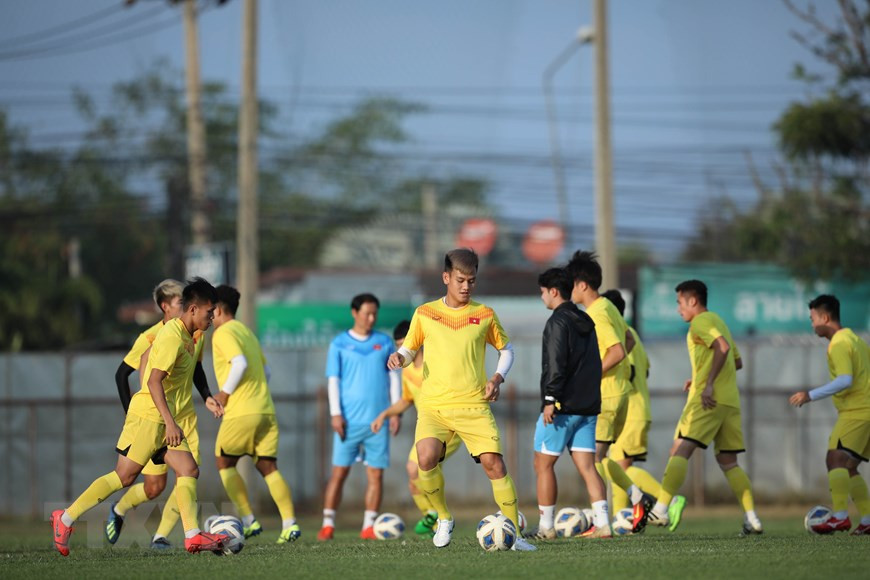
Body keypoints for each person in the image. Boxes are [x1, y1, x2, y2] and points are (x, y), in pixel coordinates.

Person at [51, 278, 224, 556]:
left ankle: (192, 536)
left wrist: (204, 399)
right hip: (149, 418)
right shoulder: (170, 337)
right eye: (209, 312)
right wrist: (170, 422)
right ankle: (66, 518)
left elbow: (188, 375)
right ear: (192, 309)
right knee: (124, 477)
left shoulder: (190, 338)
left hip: (165, 420)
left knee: (188, 470)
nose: (213, 317)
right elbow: (153, 382)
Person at [387, 248, 537, 551]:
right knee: (424, 459)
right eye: (460, 280)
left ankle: (516, 536)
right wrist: (399, 359)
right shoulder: (424, 313)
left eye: (471, 281)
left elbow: (506, 349)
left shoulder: (485, 314)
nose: (466, 286)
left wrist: (497, 378)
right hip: (434, 406)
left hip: (473, 405)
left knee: (494, 465)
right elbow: (409, 349)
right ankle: (443, 517)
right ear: (446, 277)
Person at [633, 279, 762, 536]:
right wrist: (701, 375)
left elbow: (722, 349)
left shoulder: (700, 323)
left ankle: (660, 508)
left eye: (679, 303)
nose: (678, 309)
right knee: (729, 462)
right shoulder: (719, 321)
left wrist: (708, 384)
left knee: (679, 449)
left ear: (693, 301)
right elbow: (736, 361)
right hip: (729, 402)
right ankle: (752, 519)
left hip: (708, 400)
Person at [106, 279, 221, 549]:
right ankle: (118, 509)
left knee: (188, 472)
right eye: (179, 302)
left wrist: (207, 397)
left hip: (185, 418)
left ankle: (163, 536)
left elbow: (196, 368)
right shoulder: (151, 337)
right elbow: (124, 374)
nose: (184, 306)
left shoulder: (197, 333)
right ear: (164, 306)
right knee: (153, 487)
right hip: (157, 417)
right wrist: (131, 415)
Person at [565, 251, 653, 534]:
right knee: (600, 460)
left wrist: (589, 375)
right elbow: (627, 339)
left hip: (607, 396)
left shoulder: (596, 314)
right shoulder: (610, 308)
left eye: (571, 284)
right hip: (619, 394)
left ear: (582, 285)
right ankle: (638, 498)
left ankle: (600, 521)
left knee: (589, 461)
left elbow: (616, 351)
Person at [211, 285, 302, 543]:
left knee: (223, 462)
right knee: (268, 467)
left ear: (217, 309)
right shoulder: (246, 332)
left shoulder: (223, 332)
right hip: (266, 410)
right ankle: (290, 524)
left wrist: (225, 394)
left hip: (241, 412)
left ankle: (249, 521)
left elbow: (239, 363)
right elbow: (267, 370)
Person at [531, 267, 607, 540]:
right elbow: (595, 363)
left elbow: (556, 363)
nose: (542, 298)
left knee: (542, 465)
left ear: (553, 291)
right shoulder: (586, 319)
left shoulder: (557, 322)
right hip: (588, 407)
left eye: (542, 292)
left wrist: (550, 399)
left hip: (562, 407)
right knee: (588, 467)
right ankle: (603, 524)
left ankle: (546, 528)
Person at [318, 293, 401, 541]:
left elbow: (394, 378)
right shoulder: (339, 344)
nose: (371, 318)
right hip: (348, 422)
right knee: (339, 473)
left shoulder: (384, 343)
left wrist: (396, 412)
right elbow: (333, 381)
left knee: (375, 474)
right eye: (367, 313)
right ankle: (328, 523)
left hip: (378, 422)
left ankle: (369, 526)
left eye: (375, 313)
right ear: (355, 313)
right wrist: (335, 414)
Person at [601, 289, 685, 529]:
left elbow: (629, 370)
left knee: (616, 466)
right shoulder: (633, 334)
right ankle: (621, 520)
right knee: (616, 465)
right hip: (637, 408)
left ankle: (668, 499)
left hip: (628, 409)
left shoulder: (617, 336)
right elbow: (645, 370)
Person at [371, 320, 464, 538]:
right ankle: (432, 517)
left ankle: (439, 516)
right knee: (413, 472)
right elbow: (406, 400)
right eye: (399, 346)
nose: (403, 351)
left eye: (407, 344)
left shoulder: (436, 364)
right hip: (428, 429)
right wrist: (384, 414)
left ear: (417, 342)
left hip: (450, 428)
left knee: (421, 469)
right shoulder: (406, 372)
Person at [789, 294, 870, 535]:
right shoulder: (856, 339)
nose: (812, 324)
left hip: (857, 411)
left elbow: (845, 380)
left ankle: (840, 517)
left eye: (813, 318)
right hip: (866, 411)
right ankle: (867, 520)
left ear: (825, 317)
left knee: (834, 460)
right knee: (849, 467)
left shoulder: (838, 343)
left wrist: (810, 395)